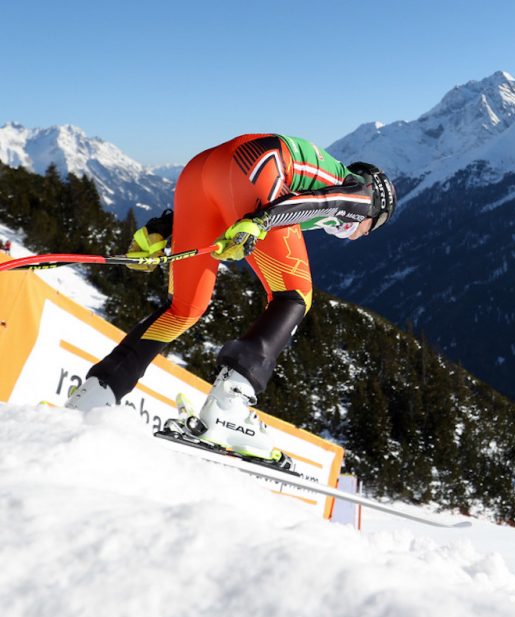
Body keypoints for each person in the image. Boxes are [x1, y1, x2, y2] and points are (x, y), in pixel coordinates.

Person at [66, 134, 396, 463]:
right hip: (256, 170)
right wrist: (260, 220)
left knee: (185, 308)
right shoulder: (361, 196)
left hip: (202, 172)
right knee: (294, 296)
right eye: (373, 227)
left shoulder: (328, 177)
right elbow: (320, 203)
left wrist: (163, 229)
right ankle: (228, 408)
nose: (363, 234)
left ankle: (98, 391)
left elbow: (221, 190)